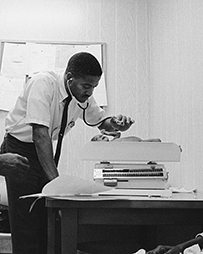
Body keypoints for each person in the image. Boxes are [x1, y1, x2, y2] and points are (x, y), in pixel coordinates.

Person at [0, 52, 134, 254]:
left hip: (42, 150)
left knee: (47, 217)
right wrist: (57, 183)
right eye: (86, 86)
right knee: (27, 222)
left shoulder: (80, 94)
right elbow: (40, 134)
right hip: (20, 147)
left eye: (94, 87)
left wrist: (115, 124)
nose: (89, 92)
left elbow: (101, 122)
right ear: (70, 77)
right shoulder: (43, 84)